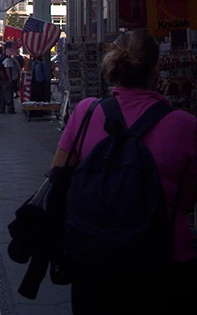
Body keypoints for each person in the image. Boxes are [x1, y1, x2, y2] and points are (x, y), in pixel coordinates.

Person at [51, 30, 197, 314]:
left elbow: (58, 175)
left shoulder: (86, 112)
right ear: (156, 69)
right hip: (164, 258)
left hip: (94, 258)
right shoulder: (186, 125)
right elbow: (187, 202)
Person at [1, 42, 20, 114]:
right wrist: (10, 79)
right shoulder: (7, 59)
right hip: (7, 79)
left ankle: (2, 108)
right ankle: (10, 109)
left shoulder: (6, 58)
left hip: (7, 79)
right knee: (8, 94)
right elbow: (7, 69)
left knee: (4, 94)